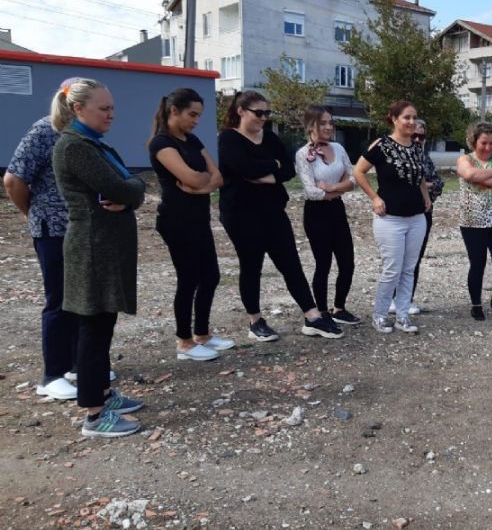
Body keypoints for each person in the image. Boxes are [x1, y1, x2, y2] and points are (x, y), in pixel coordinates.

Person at [51, 78, 147, 438]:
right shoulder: (75, 147)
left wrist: (132, 191)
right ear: (78, 109)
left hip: (103, 247)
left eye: (112, 108)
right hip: (92, 249)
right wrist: (133, 192)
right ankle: (94, 414)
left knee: (103, 323)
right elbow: (127, 186)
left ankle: (104, 394)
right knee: (92, 327)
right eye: (103, 108)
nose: (111, 115)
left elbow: (131, 185)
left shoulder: (93, 144)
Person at [218, 91, 342, 341]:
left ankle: (312, 316)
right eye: (258, 113)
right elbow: (244, 168)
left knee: (290, 263)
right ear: (241, 111)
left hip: (273, 210)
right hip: (241, 213)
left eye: (267, 113)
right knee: (251, 265)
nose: (263, 118)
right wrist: (271, 165)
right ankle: (255, 321)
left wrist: (270, 171)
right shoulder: (228, 139)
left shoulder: (270, 137)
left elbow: (288, 168)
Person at [4, 78, 82, 400]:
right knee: (59, 301)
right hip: (52, 230)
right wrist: (34, 214)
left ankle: (80, 364)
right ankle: (52, 374)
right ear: (74, 102)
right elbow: (12, 180)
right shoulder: (44, 131)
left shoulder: (82, 133)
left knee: (82, 300)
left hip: (81, 229)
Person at [149, 88, 233, 361]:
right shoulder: (161, 144)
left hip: (199, 218)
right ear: (174, 111)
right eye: (192, 114)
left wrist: (199, 188)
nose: (196, 120)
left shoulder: (192, 139)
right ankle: (184, 342)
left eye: (199, 115)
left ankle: (202, 335)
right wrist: (201, 183)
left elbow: (216, 177)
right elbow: (197, 177)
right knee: (189, 279)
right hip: (176, 220)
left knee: (210, 276)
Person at [353, 101, 430, 334]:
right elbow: (358, 172)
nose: (411, 122)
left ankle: (403, 315)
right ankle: (380, 315)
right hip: (390, 219)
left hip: (416, 217)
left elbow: (419, 177)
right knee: (392, 269)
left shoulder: (417, 147)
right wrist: (374, 198)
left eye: (414, 117)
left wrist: (426, 197)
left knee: (409, 268)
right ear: (394, 119)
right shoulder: (382, 145)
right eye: (406, 117)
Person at [296, 106, 360, 325]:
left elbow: (354, 179)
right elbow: (311, 192)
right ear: (311, 126)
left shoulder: (338, 148)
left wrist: (333, 188)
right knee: (323, 263)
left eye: (330, 123)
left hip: (336, 209)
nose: (328, 127)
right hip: (316, 213)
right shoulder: (303, 154)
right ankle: (322, 311)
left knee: (347, 262)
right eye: (322, 123)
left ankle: (339, 308)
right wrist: (340, 188)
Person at [456, 121, 492, 321]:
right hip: (472, 222)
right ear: (474, 141)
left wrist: (481, 179)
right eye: (484, 143)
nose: (488, 147)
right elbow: (469, 173)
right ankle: (476, 304)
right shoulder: (465, 159)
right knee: (477, 264)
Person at [391, 118, 443, 315]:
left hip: (423, 214)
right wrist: (424, 185)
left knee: (414, 260)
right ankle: (390, 300)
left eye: (422, 136)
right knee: (396, 259)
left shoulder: (425, 157)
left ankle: (405, 300)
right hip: (398, 214)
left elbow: (438, 185)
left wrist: (425, 187)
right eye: (414, 136)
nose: (418, 140)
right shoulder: (396, 155)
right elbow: (399, 185)